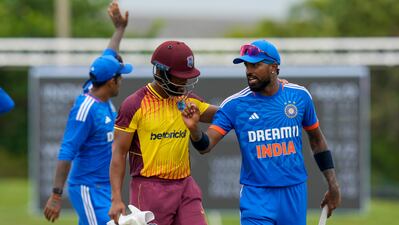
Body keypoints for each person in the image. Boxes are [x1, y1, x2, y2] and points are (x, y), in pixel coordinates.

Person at [181, 39, 341, 225]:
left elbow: (317, 141)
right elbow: (205, 145)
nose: (249, 71)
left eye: (256, 65)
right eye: (247, 65)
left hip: (294, 193)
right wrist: (194, 129)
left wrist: (333, 185)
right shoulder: (235, 105)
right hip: (256, 197)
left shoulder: (299, 96)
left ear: (274, 67)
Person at [108, 40, 219, 225]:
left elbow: (225, 114)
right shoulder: (134, 104)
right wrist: (116, 198)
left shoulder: (188, 100)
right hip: (149, 189)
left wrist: (264, 94)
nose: (184, 81)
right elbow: (119, 153)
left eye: (187, 75)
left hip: (185, 187)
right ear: (160, 72)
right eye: (179, 76)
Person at [43, 1, 132, 224]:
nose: (121, 81)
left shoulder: (96, 88)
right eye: (120, 77)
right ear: (111, 81)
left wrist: (119, 30)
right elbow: (67, 150)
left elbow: (108, 55)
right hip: (88, 189)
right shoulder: (86, 110)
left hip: (104, 189)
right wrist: (56, 195)